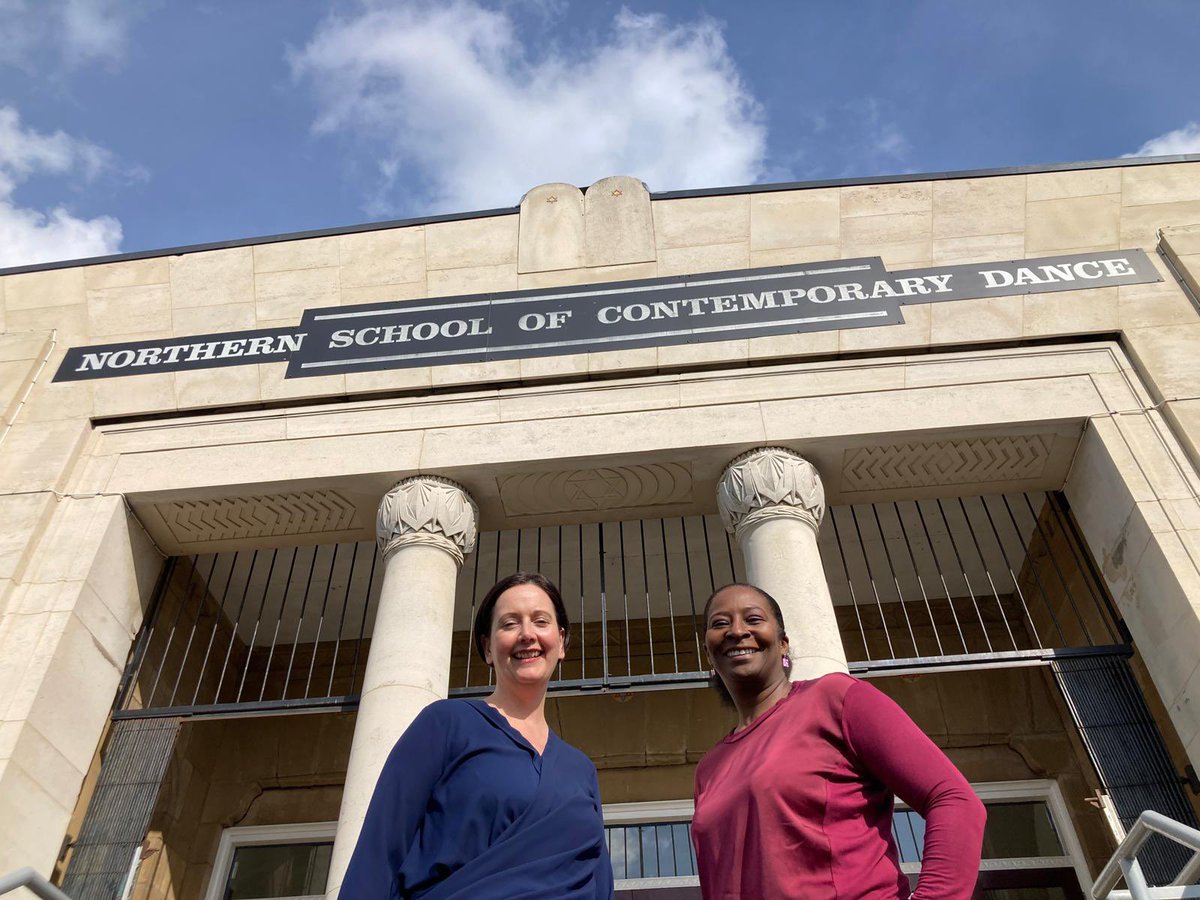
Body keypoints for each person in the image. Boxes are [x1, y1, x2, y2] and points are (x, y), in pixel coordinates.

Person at [691, 583, 986, 900]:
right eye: (720, 623)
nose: (737, 631)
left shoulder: (835, 699)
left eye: (753, 619)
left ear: (783, 644)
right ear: (708, 653)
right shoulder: (709, 768)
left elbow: (953, 800)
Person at [340, 572, 613, 899]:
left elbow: (600, 885)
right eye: (510, 624)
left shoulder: (581, 770)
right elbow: (380, 852)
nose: (527, 634)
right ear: (486, 647)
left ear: (562, 642)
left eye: (540, 621)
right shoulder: (445, 724)